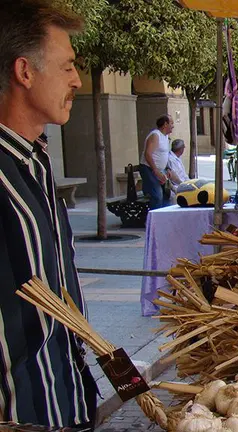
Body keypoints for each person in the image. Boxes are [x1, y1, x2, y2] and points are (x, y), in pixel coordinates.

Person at [0, 0, 97, 426]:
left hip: (67, 400)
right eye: (67, 66)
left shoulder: (36, 161)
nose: (77, 79)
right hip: (22, 414)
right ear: (24, 71)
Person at [139, 114, 174, 209]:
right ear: (165, 124)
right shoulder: (155, 135)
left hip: (159, 170)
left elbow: (164, 155)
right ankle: (154, 220)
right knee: (157, 195)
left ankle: (164, 216)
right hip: (148, 169)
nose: (173, 126)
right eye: (171, 123)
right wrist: (156, 171)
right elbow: (148, 154)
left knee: (167, 194)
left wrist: (167, 168)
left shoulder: (166, 137)